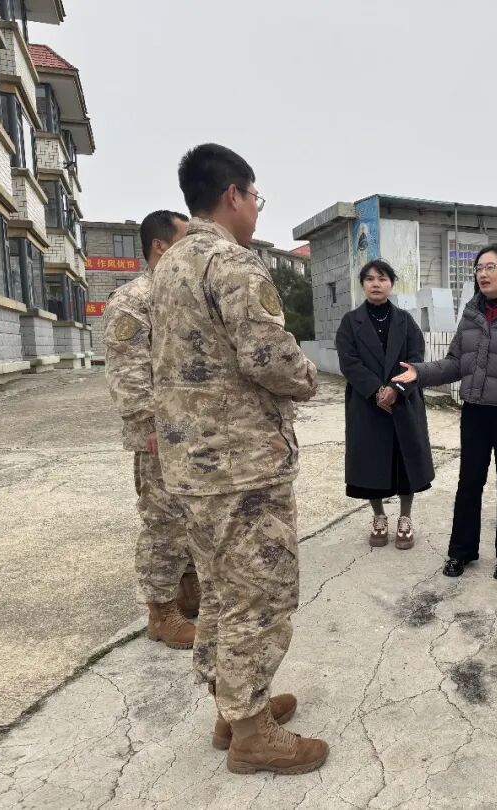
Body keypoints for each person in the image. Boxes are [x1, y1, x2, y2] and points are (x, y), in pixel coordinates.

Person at [149, 143, 326, 775]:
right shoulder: (231, 263)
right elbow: (269, 357)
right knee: (261, 593)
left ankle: (233, 708)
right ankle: (252, 734)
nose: (255, 208)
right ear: (234, 195)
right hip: (241, 467)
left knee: (222, 591)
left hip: (192, 467)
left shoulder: (169, 265)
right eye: (255, 197)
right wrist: (311, 378)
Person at [392, 244, 497, 580]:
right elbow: (456, 363)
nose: (482, 274)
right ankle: (461, 551)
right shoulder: (471, 315)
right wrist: (419, 373)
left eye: (490, 267)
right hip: (476, 414)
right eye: (479, 268)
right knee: (468, 483)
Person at [104, 210, 198, 650]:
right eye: (184, 239)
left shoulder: (182, 295)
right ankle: (161, 613)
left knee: (192, 516)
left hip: (194, 429)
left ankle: (188, 591)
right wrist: (151, 428)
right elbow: (128, 374)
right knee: (163, 522)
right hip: (160, 434)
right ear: (160, 246)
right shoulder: (134, 299)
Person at [335, 259, 434, 548]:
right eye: (369, 279)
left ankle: (405, 518)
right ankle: (379, 516)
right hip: (367, 405)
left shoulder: (405, 321)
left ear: (391, 284)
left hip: (403, 402)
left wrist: (395, 388)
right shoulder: (350, 322)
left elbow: (415, 358)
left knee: (406, 461)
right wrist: (377, 390)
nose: (376, 284)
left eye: (382, 279)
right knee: (370, 463)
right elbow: (349, 362)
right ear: (362, 285)